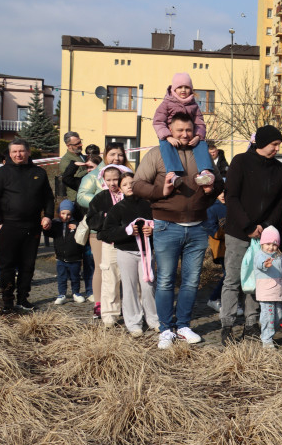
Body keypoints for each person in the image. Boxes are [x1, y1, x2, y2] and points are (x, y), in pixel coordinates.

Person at [133, 112, 222, 349]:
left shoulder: (201, 154)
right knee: (165, 280)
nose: (184, 134)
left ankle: (183, 326)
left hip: (198, 226)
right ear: (170, 131)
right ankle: (165, 329)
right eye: (180, 130)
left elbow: (220, 183)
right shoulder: (157, 153)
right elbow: (137, 184)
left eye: (188, 130)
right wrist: (160, 191)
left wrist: (211, 189)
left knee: (191, 281)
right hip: (166, 225)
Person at [220, 125, 282, 345]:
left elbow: (280, 201)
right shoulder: (240, 161)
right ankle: (227, 324)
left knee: (257, 278)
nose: (277, 149)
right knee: (233, 279)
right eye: (274, 144)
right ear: (262, 143)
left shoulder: (278, 168)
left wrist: (266, 226)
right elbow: (231, 197)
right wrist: (248, 225)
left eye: (279, 145)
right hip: (238, 231)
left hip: (263, 235)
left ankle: (251, 324)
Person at [0, 139, 54, 311]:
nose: (18, 154)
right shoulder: (0, 173)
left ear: (28, 152)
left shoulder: (39, 173)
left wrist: (48, 216)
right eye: (14, 151)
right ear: (9, 154)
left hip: (32, 227)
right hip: (8, 227)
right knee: (7, 266)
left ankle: (23, 299)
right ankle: (7, 302)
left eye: (21, 151)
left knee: (28, 265)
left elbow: (48, 198)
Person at [98, 172, 160, 337]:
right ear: (120, 189)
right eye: (125, 184)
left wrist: (152, 230)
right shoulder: (117, 209)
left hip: (146, 251)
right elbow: (106, 233)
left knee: (148, 286)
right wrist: (126, 231)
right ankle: (133, 323)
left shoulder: (148, 206)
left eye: (132, 183)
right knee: (130, 287)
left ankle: (154, 320)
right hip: (126, 252)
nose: (129, 187)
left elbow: (160, 224)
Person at [152, 73, 215, 186]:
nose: (183, 90)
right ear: (174, 89)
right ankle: (173, 174)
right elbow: (158, 121)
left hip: (189, 135)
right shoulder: (167, 103)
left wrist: (198, 136)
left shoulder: (194, 105)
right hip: (171, 135)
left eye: (187, 87)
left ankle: (204, 172)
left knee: (201, 144)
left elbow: (199, 123)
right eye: (180, 87)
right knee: (165, 145)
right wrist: (168, 136)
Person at [86, 164, 131, 323]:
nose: (112, 183)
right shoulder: (100, 197)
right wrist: (104, 217)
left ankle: (132, 312)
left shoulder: (129, 194)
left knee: (131, 279)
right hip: (110, 243)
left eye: (116, 179)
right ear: (103, 180)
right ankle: (109, 315)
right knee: (110, 278)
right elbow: (91, 220)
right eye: (109, 180)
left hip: (130, 243)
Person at [254, 226, 282, 349]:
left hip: (278, 292)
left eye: (274, 244)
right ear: (262, 244)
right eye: (268, 244)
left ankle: (269, 334)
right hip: (266, 293)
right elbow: (259, 264)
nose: (271, 247)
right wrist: (265, 264)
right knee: (268, 316)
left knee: (279, 316)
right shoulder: (260, 255)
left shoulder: (278, 256)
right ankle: (266, 339)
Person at [50, 200, 86, 305]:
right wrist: (46, 226)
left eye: (68, 214)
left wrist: (77, 228)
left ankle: (76, 293)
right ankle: (62, 294)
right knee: (62, 277)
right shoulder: (56, 223)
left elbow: (83, 233)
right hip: (60, 257)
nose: (65, 216)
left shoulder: (77, 223)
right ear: (59, 213)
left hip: (75, 257)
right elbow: (49, 233)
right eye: (63, 213)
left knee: (75, 277)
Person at [58, 131, 86, 204]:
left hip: (85, 195)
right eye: (77, 144)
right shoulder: (66, 161)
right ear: (69, 146)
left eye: (80, 142)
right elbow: (75, 177)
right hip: (75, 198)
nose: (81, 145)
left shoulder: (81, 155)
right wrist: (90, 169)